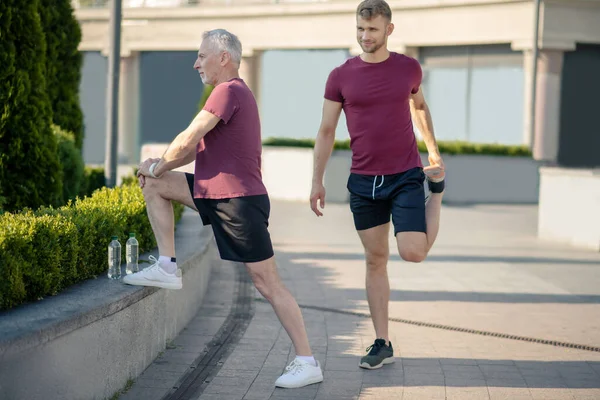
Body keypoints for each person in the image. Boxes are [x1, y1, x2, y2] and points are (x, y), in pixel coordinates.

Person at [124, 29, 323, 389]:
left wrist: (155, 164)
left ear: (224, 57)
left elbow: (188, 135)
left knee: (267, 283)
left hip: (239, 202)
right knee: (155, 185)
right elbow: (188, 151)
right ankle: (167, 267)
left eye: (202, 56)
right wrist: (159, 169)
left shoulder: (228, 91)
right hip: (212, 193)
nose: (195, 62)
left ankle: (307, 360)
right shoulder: (227, 94)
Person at [310, 0, 446, 370]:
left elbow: (418, 106)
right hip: (363, 183)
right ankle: (382, 342)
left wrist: (432, 152)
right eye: (360, 29)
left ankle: (437, 194)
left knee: (413, 252)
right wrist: (317, 181)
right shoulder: (340, 75)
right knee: (375, 259)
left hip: (405, 176)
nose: (364, 36)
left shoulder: (408, 68)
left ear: (389, 29)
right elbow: (326, 131)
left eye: (372, 29)